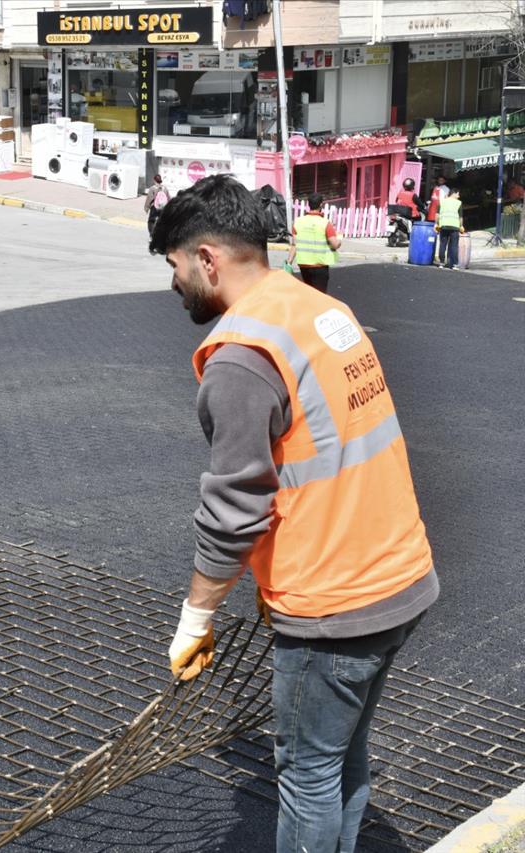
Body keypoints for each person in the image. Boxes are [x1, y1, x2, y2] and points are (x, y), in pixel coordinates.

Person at [149, 174, 438, 853]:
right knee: (343, 756)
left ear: (209, 260)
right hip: (401, 577)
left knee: (307, 772)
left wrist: (196, 617)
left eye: (175, 266)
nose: (174, 284)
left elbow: (233, 508)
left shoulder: (243, 358)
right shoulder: (311, 308)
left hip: (336, 606)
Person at [286, 193, 342, 293]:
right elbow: (335, 244)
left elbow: (294, 245)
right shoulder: (325, 223)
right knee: (320, 295)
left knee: (309, 294)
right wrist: (340, 238)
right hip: (319, 266)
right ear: (321, 204)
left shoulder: (298, 222)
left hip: (304, 266)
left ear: (308, 204)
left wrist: (289, 262)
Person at [436, 186, 464, 269]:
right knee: (454, 246)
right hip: (455, 226)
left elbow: (437, 215)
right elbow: (460, 217)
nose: (459, 196)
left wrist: (436, 224)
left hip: (443, 225)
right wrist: (461, 226)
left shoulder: (442, 202)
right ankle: (455, 265)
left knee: (442, 244)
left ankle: (441, 263)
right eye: (458, 194)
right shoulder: (458, 203)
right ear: (454, 193)